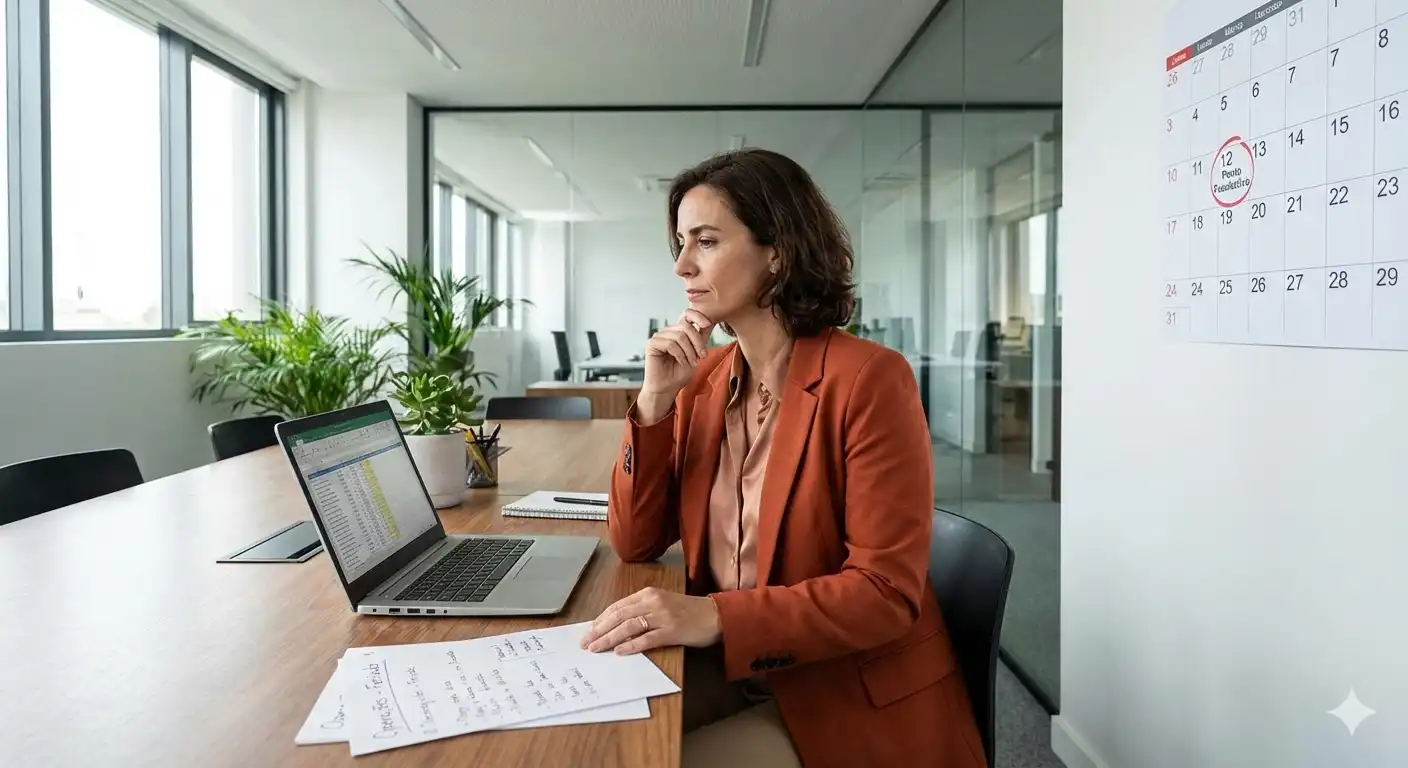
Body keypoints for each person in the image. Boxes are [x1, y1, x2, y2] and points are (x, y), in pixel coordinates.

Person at [577, 148, 986, 768]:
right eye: (681, 244)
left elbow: (884, 594)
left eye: (706, 241)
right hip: (732, 664)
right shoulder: (704, 379)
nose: (682, 264)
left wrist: (713, 615)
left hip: (840, 690)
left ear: (778, 252)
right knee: (590, 740)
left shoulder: (870, 379)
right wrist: (654, 403)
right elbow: (635, 541)